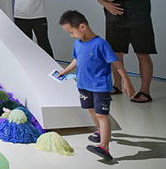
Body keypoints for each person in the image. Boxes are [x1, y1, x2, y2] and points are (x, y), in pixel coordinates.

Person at [57, 10, 134, 161]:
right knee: (92, 111)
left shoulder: (101, 44)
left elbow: (116, 63)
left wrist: (127, 82)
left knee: (101, 115)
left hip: (100, 86)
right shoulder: (77, 43)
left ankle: (104, 147)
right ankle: (99, 131)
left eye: (71, 32)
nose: (71, 36)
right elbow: (76, 59)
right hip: (83, 85)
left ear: (82, 27)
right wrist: (64, 71)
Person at [95, 0, 157, 103]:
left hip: (139, 21)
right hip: (114, 22)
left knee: (143, 55)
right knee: (115, 55)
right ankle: (116, 85)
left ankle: (145, 91)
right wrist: (106, 4)